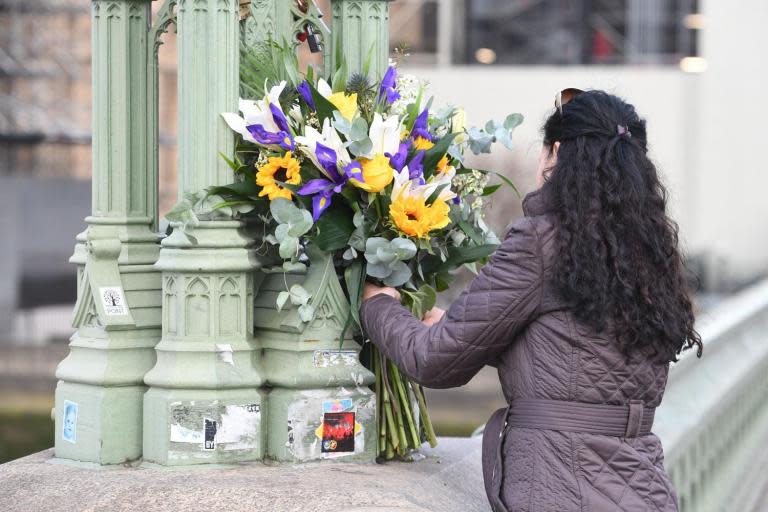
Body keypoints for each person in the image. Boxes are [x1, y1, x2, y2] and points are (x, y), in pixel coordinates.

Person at [360, 89, 702, 512]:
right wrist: (465, 329)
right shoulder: (648, 253)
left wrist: (379, 305)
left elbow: (435, 361)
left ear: (554, 152)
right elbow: (584, 359)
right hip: (643, 489)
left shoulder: (542, 241)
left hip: (561, 489)